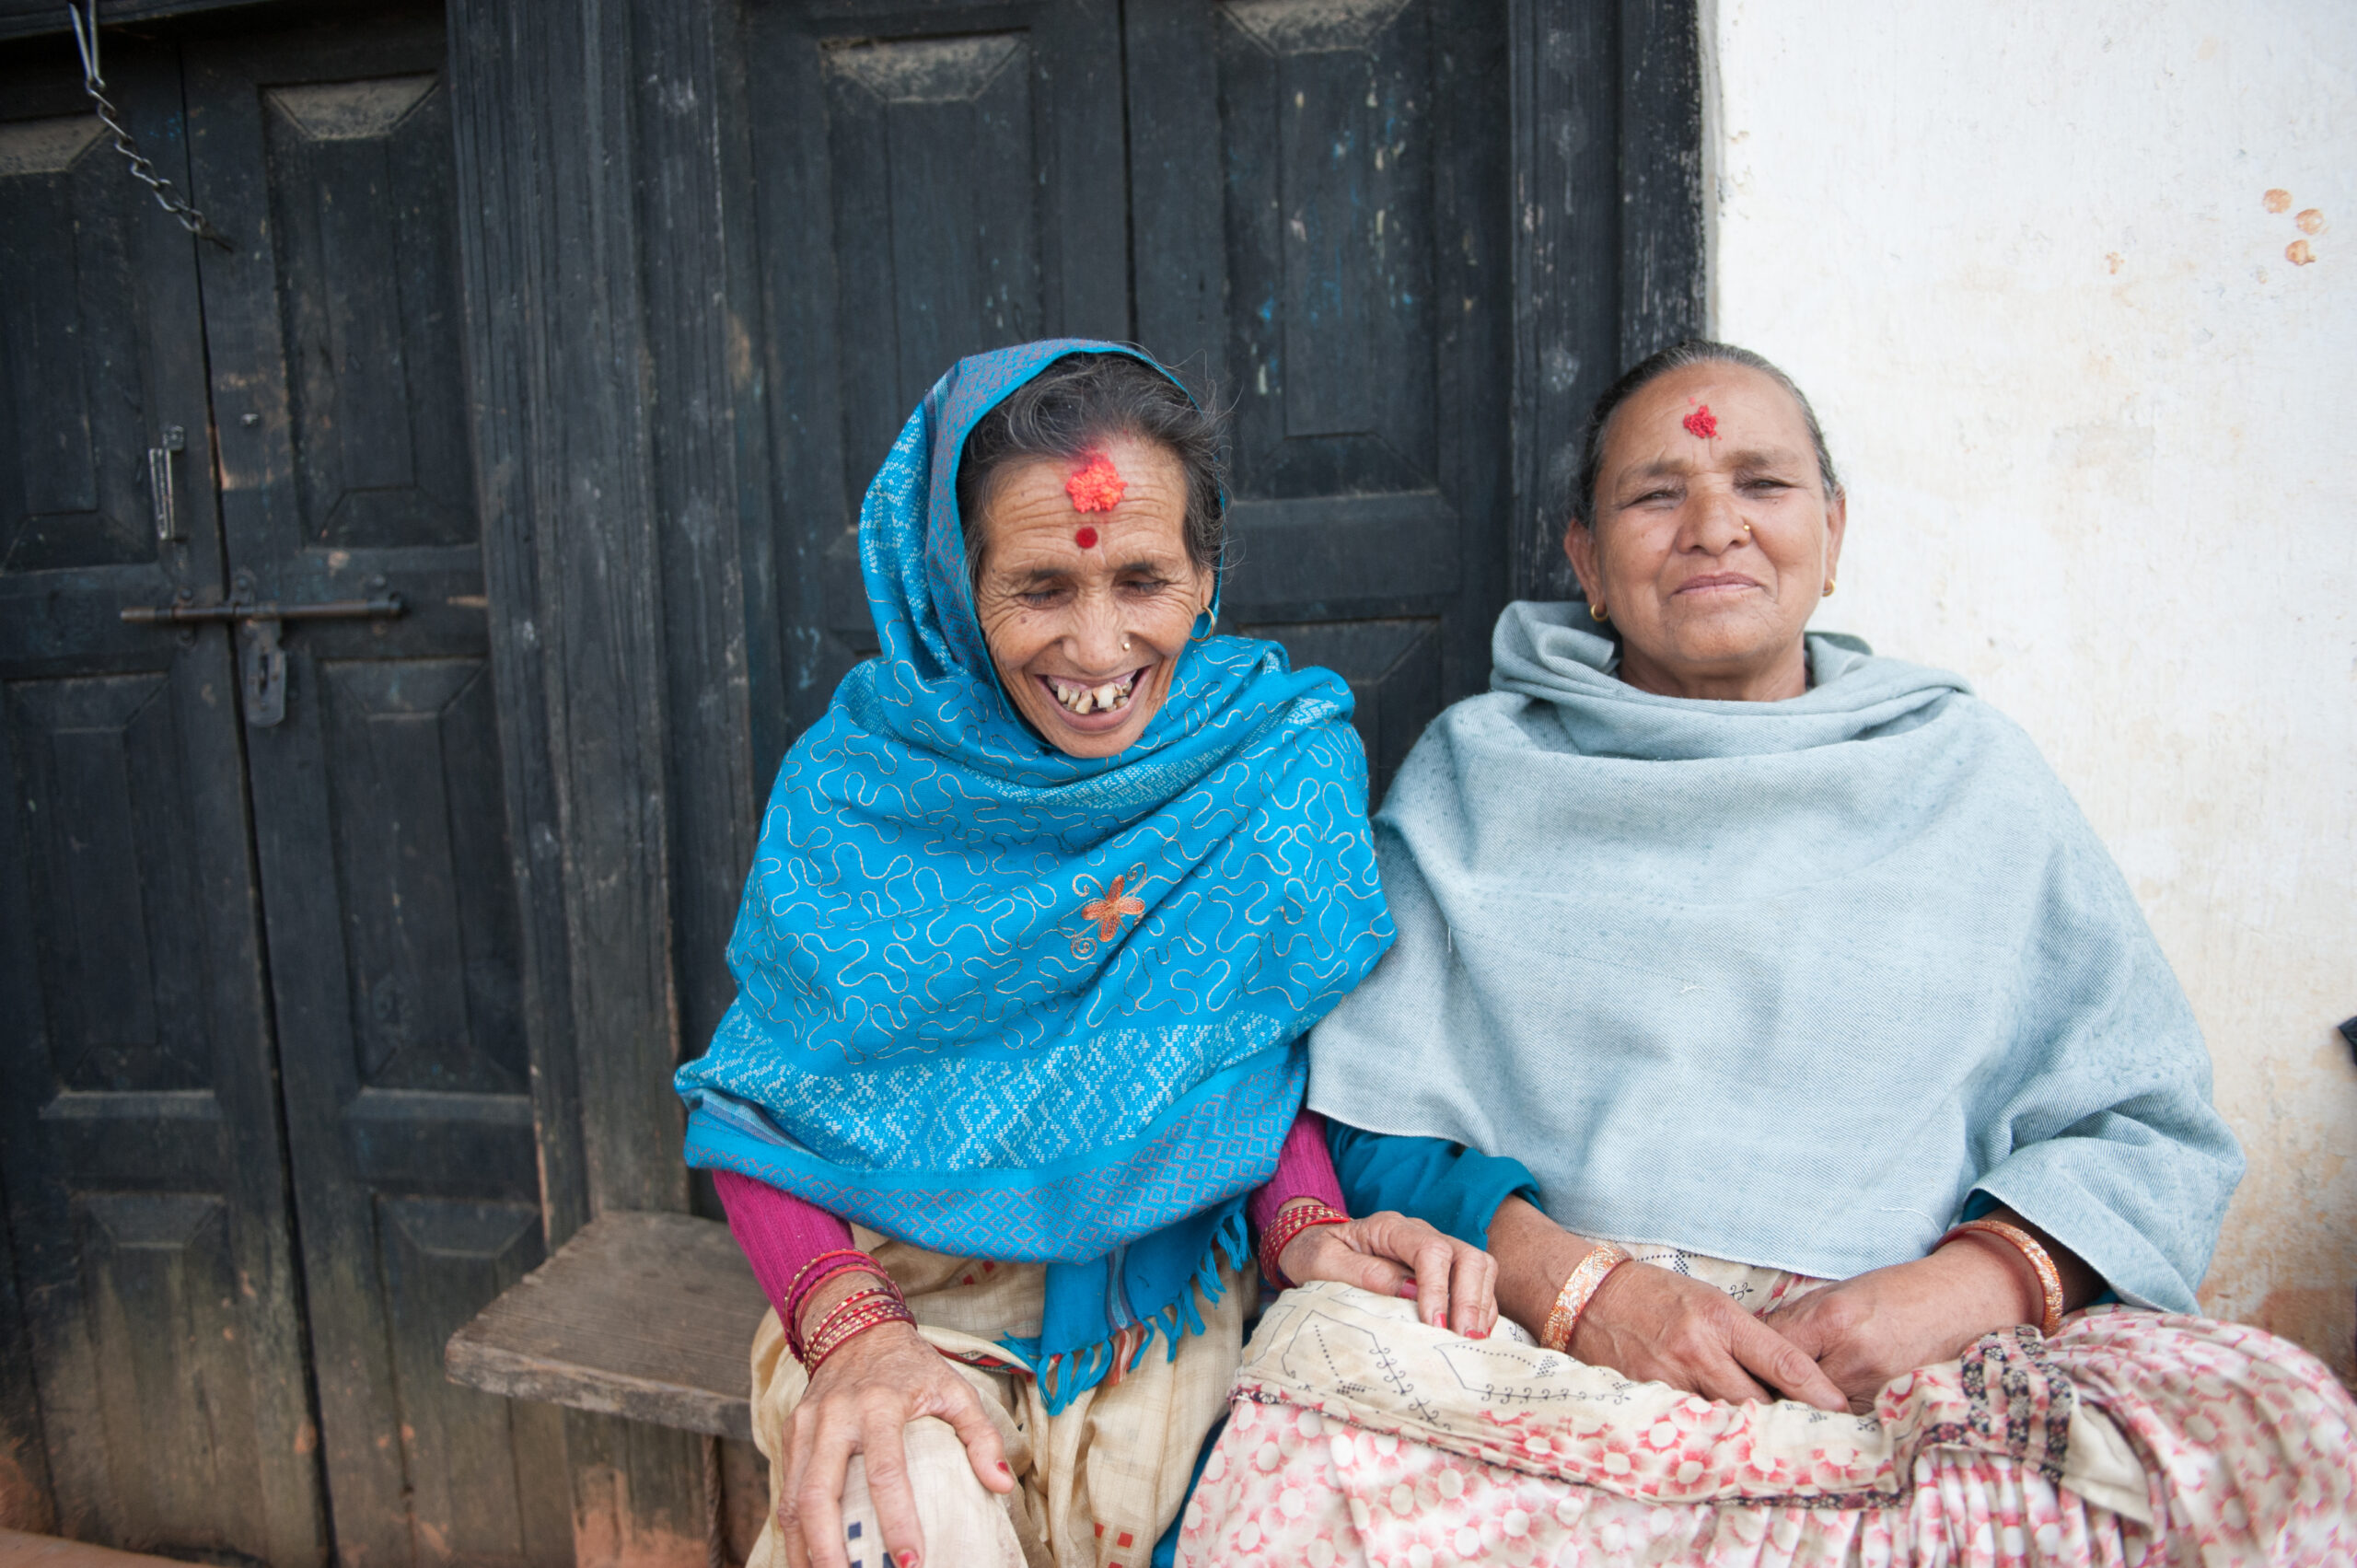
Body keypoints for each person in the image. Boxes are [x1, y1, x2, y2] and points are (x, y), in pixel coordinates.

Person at [1174, 340, 2357, 1563]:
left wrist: (1966, 1289)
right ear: (1584, 557)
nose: (1713, 526)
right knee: (1312, 1401)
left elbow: (2144, 1128)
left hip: (1908, 1352)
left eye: (1763, 485)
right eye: (1654, 494)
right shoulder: (1482, 775)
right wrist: (1591, 1298)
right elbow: (1374, 1122)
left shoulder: (1972, 782)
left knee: (2278, 1429)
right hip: (1555, 1342)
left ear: (1835, 533)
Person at [673, 343, 1499, 1568]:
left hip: (1174, 1311)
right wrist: (851, 1333)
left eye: (1144, 579)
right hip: (908, 1303)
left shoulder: (1269, 764)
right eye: (1041, 588)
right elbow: (764, 1109)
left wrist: (1308, 1226)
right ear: (957, 586)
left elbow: (1248, 1058)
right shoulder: (860, 795)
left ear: (1208, 576)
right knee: (902, 1528)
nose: (1099, 647)